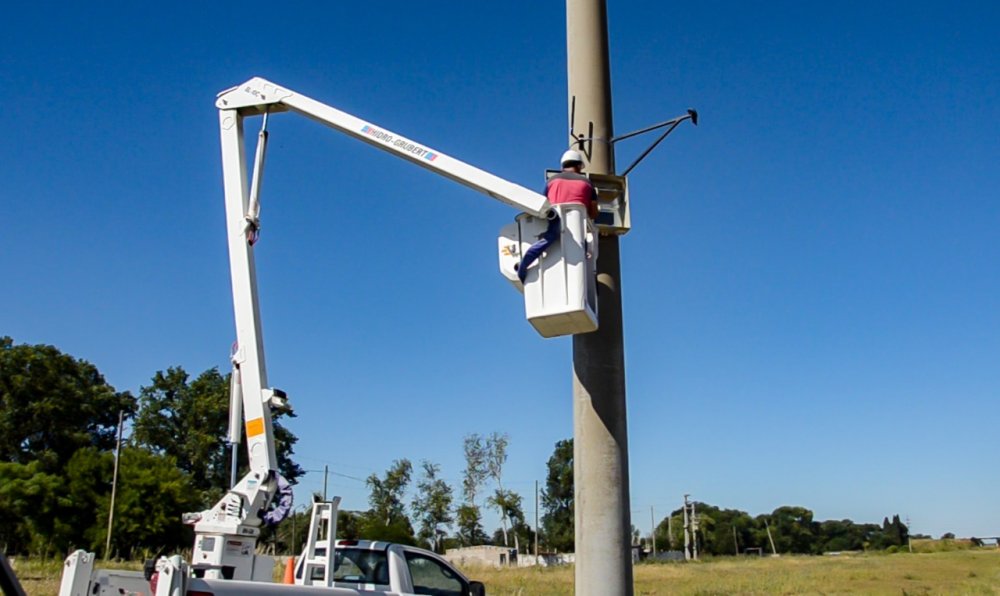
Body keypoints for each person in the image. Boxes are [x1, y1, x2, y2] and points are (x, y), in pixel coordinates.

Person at [517, 149, 599, 283]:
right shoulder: (588, 184)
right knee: (583, 252)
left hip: (556, 218)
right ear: (579, 166)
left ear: (562, 166)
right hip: (578, 222)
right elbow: (593, 212)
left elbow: (543, 202)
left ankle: (524, 265)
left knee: (546, 240)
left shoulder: (552, 181)